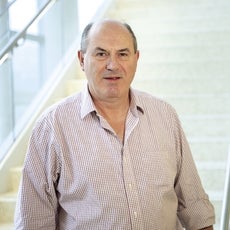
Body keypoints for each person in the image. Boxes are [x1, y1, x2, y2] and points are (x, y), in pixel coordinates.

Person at [14, 19, 215, 229]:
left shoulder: (165, 116)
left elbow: (195, 209)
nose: (113, 65)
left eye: (123, 54)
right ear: (82, 59)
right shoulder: (52, 128)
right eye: (101, 54)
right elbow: (33, 222)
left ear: (136, 59)